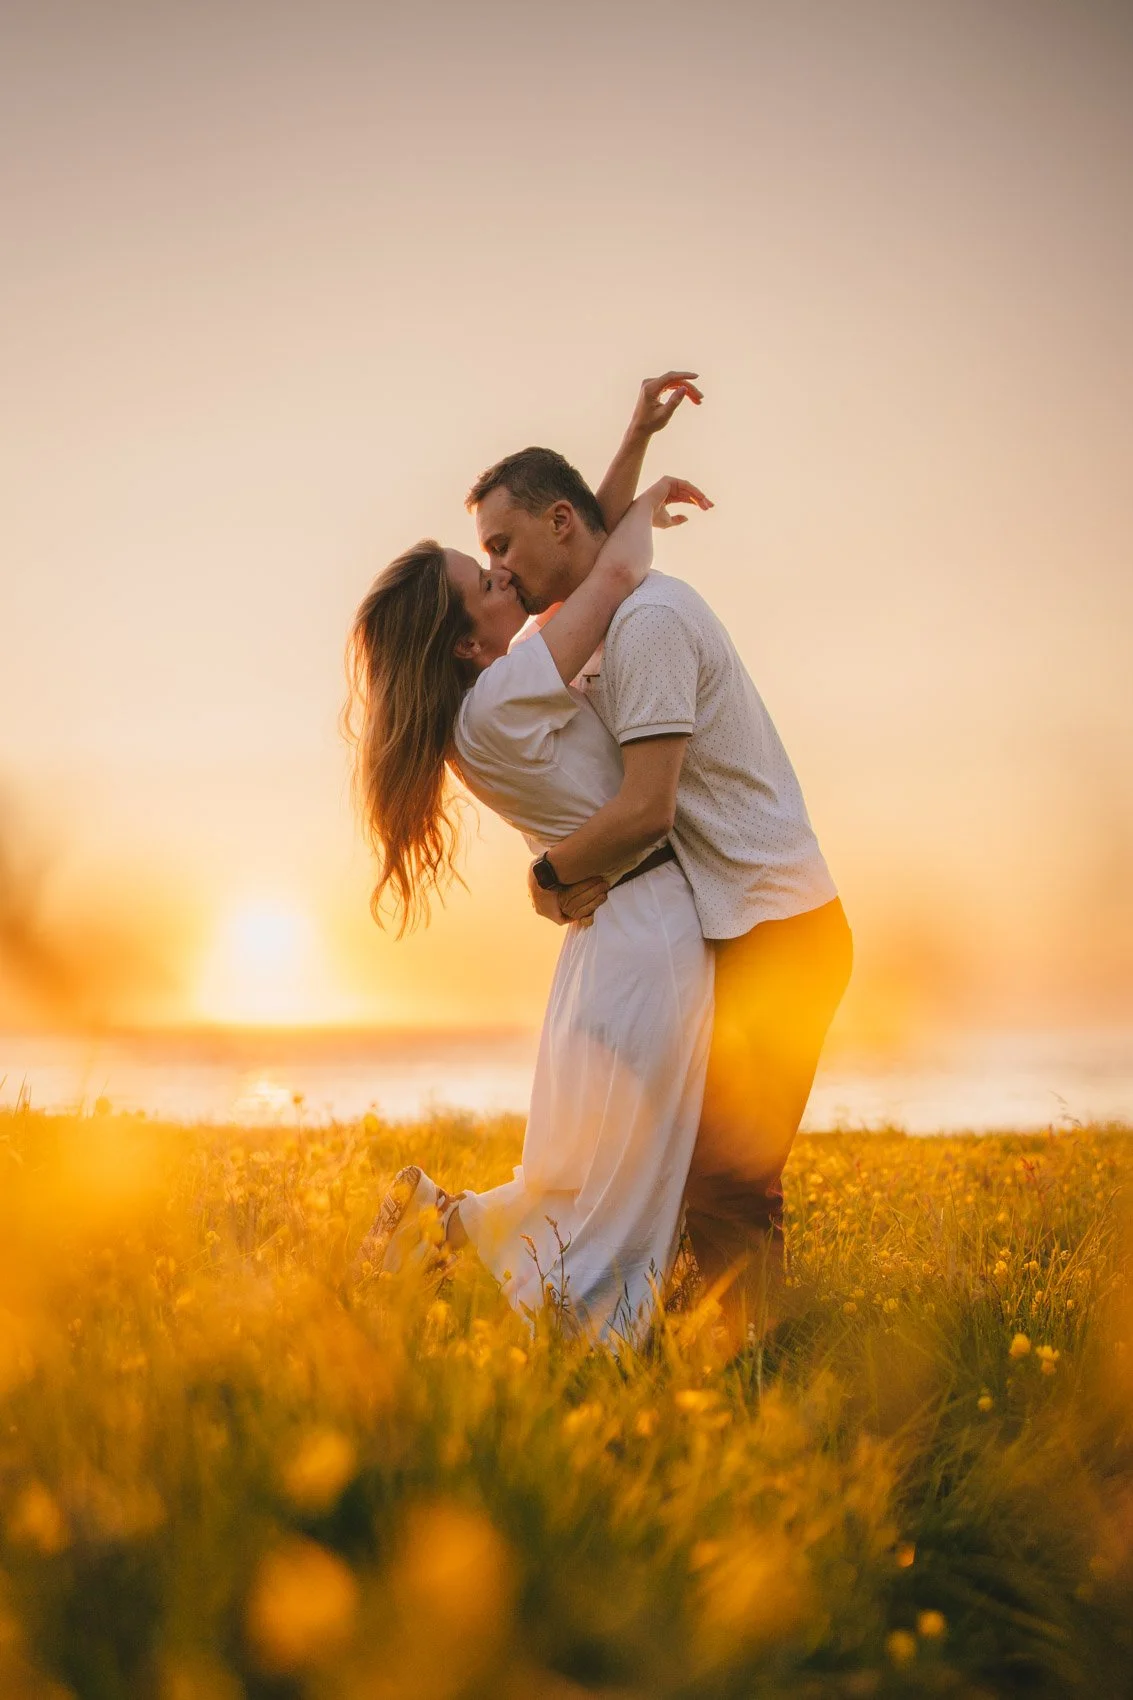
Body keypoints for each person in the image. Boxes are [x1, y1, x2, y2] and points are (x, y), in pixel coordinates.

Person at [346, 375, 714, 1343]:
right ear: (464, 644)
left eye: (495, 560)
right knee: (624, 1191)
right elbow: (607, 574)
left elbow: (570, 547)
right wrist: (646, 497)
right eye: (483, 583)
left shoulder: (488, 704)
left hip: (604, 946)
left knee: (581, 1174)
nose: (502, 577)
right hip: (644, 932)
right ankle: (574, 1340)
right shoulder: (507, 694)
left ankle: (443, 1225)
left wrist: (631, 438)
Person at [467, 432, 852, 1354]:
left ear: (559, 524)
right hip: (730, 925)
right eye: (487, 557)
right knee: (683, 1168)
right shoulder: (592, 622)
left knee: (726, 1179)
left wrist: (550, 875)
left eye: (502, 546)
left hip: (778, 928)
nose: (500, 571)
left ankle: (745, 1373)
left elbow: (647, 808)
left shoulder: (647, 626)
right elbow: (594, 542)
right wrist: (635, 441)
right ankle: (705, 1353)